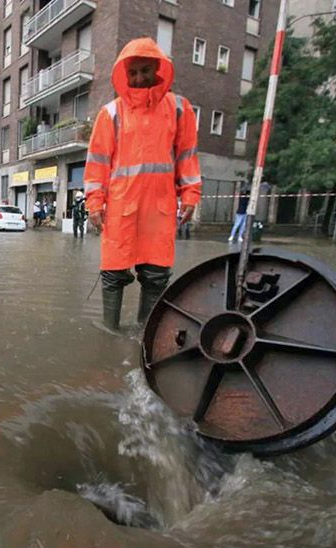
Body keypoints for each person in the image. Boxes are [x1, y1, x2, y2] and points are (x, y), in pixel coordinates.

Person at [84, 37, 202, 331]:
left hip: (159, 210)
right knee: (112, 273)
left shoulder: (178, 108)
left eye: (145, 70)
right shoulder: (110, 113)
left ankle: (145, 337)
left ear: (158, 70)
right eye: (133, 72)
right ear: (124, 75)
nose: (139, 78)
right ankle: (110, 334)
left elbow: (187, 155)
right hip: (121, 208)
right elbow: (97, 163)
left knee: (157, 275)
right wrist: (94, 203)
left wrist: (190, 194)